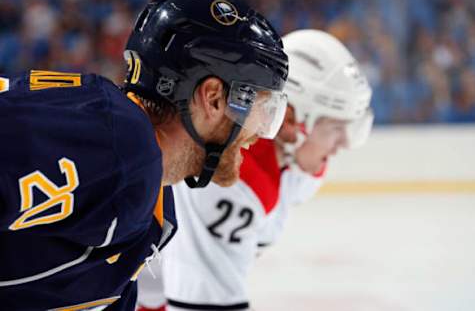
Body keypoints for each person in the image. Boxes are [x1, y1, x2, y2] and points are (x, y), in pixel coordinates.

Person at [0, 0, 288, 310]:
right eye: (259, 109)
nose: (258, 133)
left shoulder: (152, 208)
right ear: (214, 98)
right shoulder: (119, 143)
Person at [136, 29, 373, 311]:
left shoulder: (300, 166)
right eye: (336, 128)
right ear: (291, 119)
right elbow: (203, 304)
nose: (343, 144)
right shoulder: (229, 177)